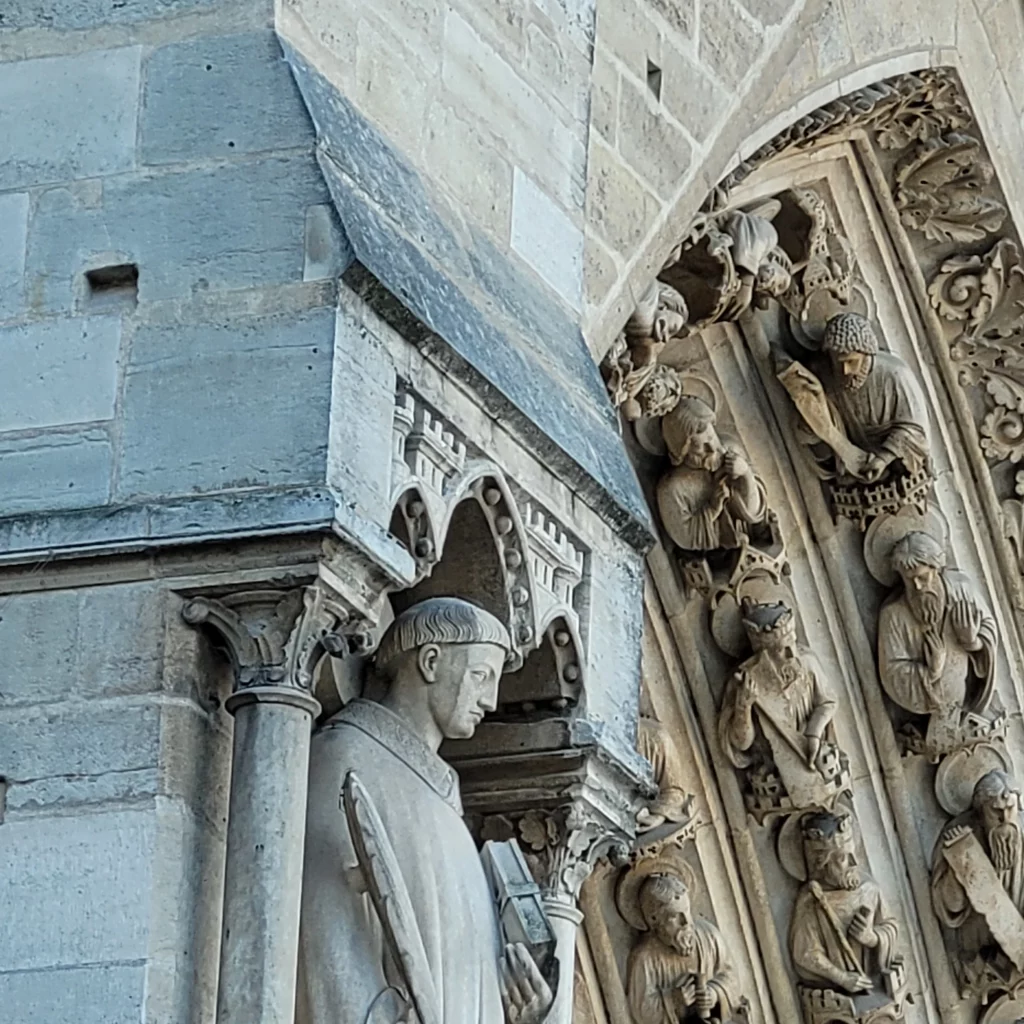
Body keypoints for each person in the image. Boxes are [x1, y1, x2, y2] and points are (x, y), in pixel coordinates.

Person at [296, 597, 553, 1024]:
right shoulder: (344, 758)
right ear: (431, 661)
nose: (489, 702)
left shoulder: (443, 802)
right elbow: (325, 948)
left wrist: (518, 1012)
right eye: (480, 676)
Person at [878, 531, 997, 756]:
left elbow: (989, 628)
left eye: (923, 577)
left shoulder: (961, 589)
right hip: (933, 715)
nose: (918, 587)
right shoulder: (893, 615)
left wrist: (973, 642)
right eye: (908, 580)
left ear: (937, 567)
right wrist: (930, 672)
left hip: (972, 701)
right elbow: (892, 672)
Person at [718, 600, 844, 812]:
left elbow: (828, 701)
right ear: (763, 654)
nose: (792, 654)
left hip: (813, 759)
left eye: (792, 643)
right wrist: (744, 707)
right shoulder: (746, 680)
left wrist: (813, 733)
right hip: (775, 776)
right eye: (781, 650)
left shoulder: (806, 661)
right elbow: (741, 743)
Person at [790, 811, 900, 997]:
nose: (854, 863)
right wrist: (841, 978)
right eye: (843, 858)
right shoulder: (812, 901)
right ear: (822, 864)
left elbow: (891, 926)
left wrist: (871, 937)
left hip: (877, 988)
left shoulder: (869, 890)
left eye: (853, 854)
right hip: (839, 995)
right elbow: (806, 953)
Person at [819, 312, 930, 484]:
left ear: (866, 354)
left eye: (851, 362)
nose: (845, 370)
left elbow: (915, 429)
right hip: (852, 457)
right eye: (838, 362)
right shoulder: (829, 376)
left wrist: (884, 458)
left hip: (891, 457)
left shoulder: (896, 375)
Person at [932, 770, 1024, 974]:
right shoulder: (958, 834)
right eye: (996, 811)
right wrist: (961, 862)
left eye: (1011, 808)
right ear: (980, 811)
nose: (1005, 818)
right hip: (980, 951)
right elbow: (951, 906)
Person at [656, 396, 768, 553]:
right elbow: (684, 537)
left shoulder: (731, 453)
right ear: (683, 452)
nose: (712, 448)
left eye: (712, 438)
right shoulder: (673, 488)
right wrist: (712, 509)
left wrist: (746, 475)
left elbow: (753, 513)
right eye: (700, 447)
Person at [626, 872, 740, 1023]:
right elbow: (641, 1010)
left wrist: (713, 993)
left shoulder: (708, 936)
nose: (687, 922)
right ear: (654, 920)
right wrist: (674, 999)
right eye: (676, 916)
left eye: (687, 911)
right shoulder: (644, 957)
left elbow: (731, 977)